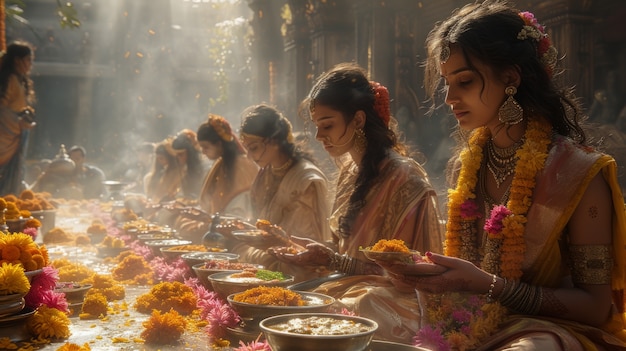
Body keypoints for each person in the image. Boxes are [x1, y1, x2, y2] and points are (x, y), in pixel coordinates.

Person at [375, 1, 626, 350]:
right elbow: (469, 270)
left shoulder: (579, 173)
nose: (449, 98)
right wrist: (426, 273)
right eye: (447, 83)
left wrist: (491, 286)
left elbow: (597, 307)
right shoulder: (466, 166)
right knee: (370, 307)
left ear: (510, 78)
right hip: (471, 315)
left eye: (464, 81)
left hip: (547, 329)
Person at [269, 63, 444, 342]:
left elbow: (407, 275)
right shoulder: (349, 171)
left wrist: (335, 261)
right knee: (288, 287)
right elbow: (343, 252)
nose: (318, 136)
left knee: (365, 305)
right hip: (348, 285)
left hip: (393, 296)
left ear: (359, 120)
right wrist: (321, 255)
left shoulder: (404, 178)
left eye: (327, 125)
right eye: (316, 127)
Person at [235, 103, 331, 278]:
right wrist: (241, 228)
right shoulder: (264, 175)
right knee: (236, 249)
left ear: (273, 141)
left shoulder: (306, 180)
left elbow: (301, 247)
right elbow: (259, 224)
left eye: (254, 148)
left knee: (246, 258)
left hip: (297, 264)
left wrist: (267, 241)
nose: (249, 157)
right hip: (269, 255)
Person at [175, 114, 258, 243]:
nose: (203, 152)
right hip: (216, 220)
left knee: (189, 229)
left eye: (205, 147)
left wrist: (211, 221)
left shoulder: (242, 164)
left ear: (219, 144)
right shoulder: (221, 163)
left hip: (234, 227)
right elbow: (211, 202)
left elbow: (240, 212)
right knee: (182, 224)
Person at [0, 41, 36, 196]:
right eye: (28, 59)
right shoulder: (10, 80)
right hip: (4, 137)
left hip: (16, 136)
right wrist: (18, 121)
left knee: (13, 178)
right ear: (17, 60)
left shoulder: (21, 81)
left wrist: (25, 116)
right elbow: (2, 110)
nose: (30, 64)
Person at [171, 129, 207, 201]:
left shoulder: (204, 170)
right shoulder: (184, 170)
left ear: (190, 153)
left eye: (181, 154)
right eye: (176, 155)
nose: (178, 158)